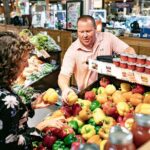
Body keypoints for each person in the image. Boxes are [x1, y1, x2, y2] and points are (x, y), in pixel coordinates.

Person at [0, 32, 64, 149]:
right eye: (24, 60)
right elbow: (11, 145)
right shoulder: (8, 99)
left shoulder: (3, 87)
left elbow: (7, 120)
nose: (27, 64)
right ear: (10, 64)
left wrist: (30, 107)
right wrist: (40, 127)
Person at [58, 15, 135, 103]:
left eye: (88, 31)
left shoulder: (108, 38)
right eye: (81, 32)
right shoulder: (73, 49)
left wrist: (127, 62)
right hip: (87, 96)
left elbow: (129, 50)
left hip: (111, 93)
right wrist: (65, 89)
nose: (85, 35)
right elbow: (63, 75)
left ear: (95, 29)